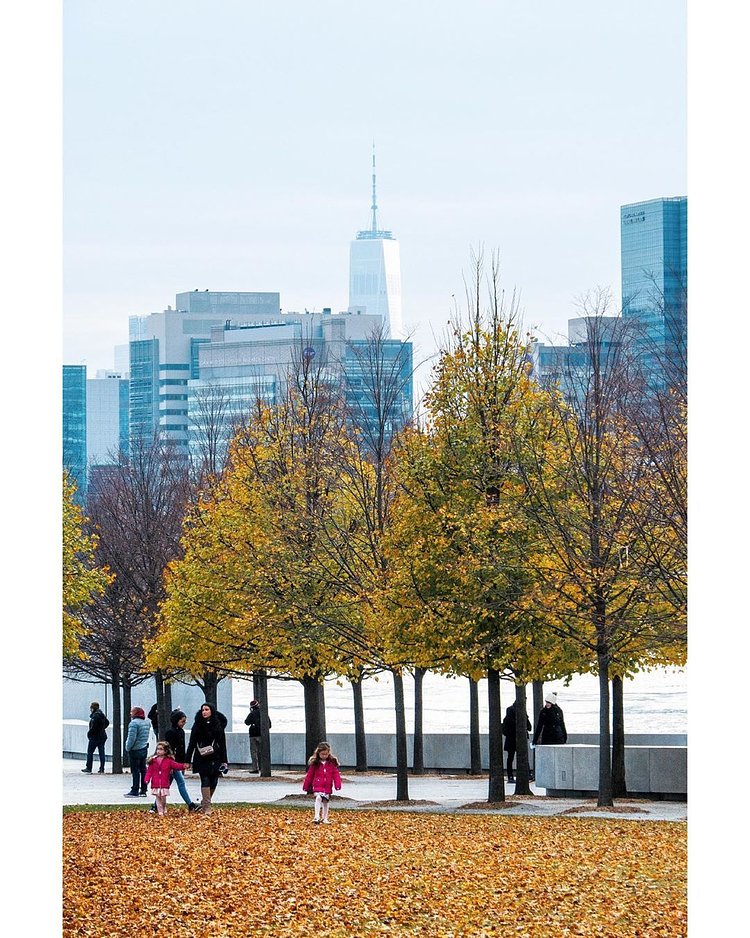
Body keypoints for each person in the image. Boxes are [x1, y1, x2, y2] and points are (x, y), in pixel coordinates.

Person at [147, 709, 199, 812]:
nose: (184, 723)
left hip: (177, 762)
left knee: (167, 784)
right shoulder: (171, 732)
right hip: (172, 763)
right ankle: (190, 804)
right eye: (182, 721)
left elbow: (181, 749)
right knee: (180, 783)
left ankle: (156, 806)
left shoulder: (180, 732)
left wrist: (183, 762)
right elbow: (169, 749)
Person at [185, 702, 228, 816]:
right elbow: (192, 743)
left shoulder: (218, 725)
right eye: (203, 710)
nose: (204, 712)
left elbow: (222, 743)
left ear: (212, 711)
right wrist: (187, 760)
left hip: (215, 756)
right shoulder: (197, 724)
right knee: (205, 779)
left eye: (206, 709)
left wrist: (224, 760)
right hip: (201, 756)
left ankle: (204, 802)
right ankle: (207, 807)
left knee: (214, 780)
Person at [143, 741, 191, 816]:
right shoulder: (153, 760)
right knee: (158, 798)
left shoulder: (169, 761)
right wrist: (147, 779)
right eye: (157, 749)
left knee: (163, 798)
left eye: (161, 749)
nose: (158, 751)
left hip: (164, 784)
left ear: (165, 751)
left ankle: (163, 807)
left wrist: (183, 766)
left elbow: (176, 766)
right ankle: (160, 812)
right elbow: (149, 771)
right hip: (156, 783)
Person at [302, 741, 342, 825]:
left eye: (326, 754)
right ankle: (316, 816)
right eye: (322, 754)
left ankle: (325, 818)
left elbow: (336, 775)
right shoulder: (315, 764)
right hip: (318, 785)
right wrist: (306, 786)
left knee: (325, 801)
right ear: (318, 753)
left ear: (328, 753)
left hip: (327, 786)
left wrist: (337, 784)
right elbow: (309, 775)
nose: (324, 756)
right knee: (318, 798)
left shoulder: (331, 764)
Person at [124, 706, 151, 797]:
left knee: (135, 770)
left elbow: (131, 738)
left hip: (135, 749)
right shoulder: (147, 723)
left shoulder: (133, 723)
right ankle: (143, 789)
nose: (130, 713)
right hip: (143, 748)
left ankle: (135, 789)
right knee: (143, 769)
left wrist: (128, 747)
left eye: (132, 712)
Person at [501, 701, 531, 783]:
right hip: (513, 738)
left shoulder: (513, 711)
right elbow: (528, 726)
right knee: (519, 757)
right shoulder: (516, 711)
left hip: (511, 738)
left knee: (511, 757)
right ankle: (526, 774)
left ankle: (511, 776)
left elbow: (529, 726)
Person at [81, 701, 110, 774]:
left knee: (90, 752)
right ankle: (102, 768)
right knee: (101, 752)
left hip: (95, 737)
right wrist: (102, 728)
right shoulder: (102, 715)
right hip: (102, 736)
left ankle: (89, 768)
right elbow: (107, 722)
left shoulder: (95, 716)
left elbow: (93, 728)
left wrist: (89, 734)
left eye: (91, 708)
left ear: (92, 708)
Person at [244, 699, 271, 774]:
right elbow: (269, 725)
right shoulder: (263, 713)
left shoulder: (251, 714)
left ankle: (255, 768)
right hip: (262, 735)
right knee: (263, 751)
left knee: (254, 752)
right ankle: (263, 767)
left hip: (253, 735)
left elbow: (246, 722)